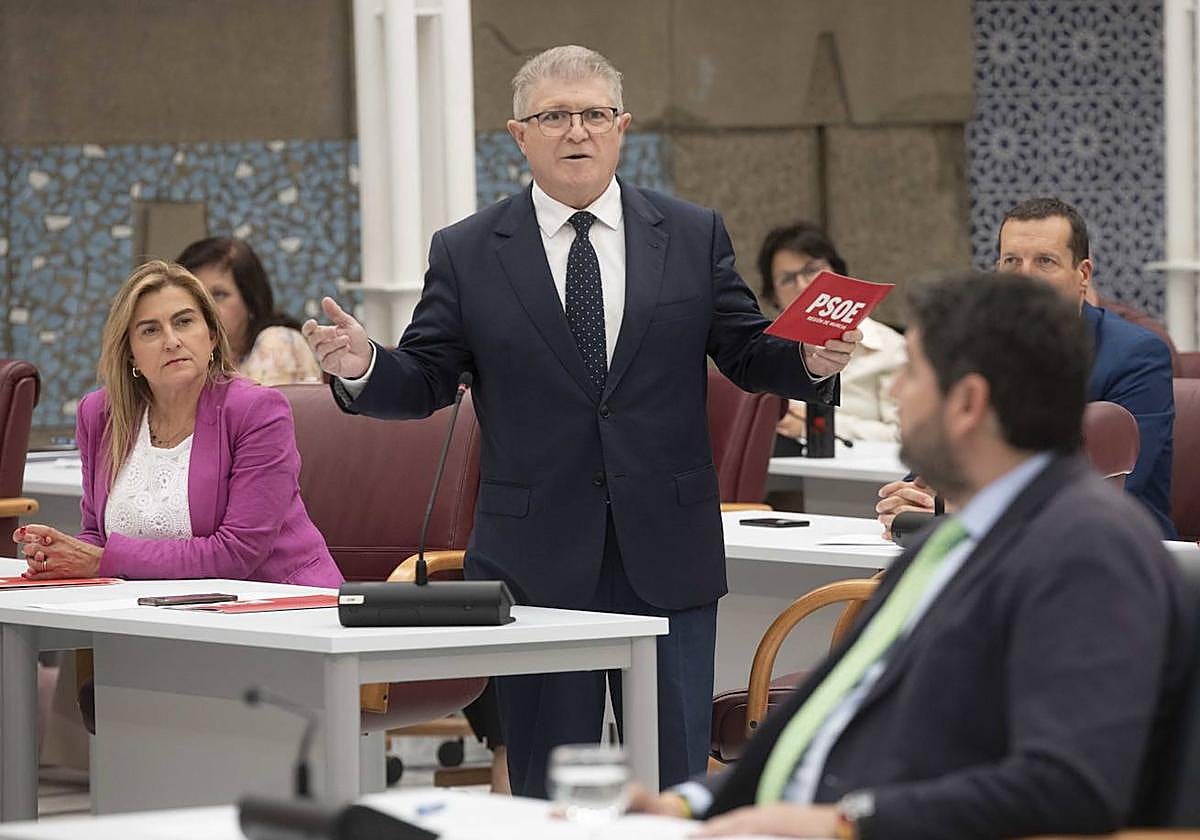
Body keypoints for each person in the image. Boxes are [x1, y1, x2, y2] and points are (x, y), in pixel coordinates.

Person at [301, 44, 861, 797]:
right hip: (536, 560)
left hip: (667, 550)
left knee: (671, 785)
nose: (578, 132)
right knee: (545, 792)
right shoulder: (468, 252)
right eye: (555, 116)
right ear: (519, 134)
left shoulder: (691, 235)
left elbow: (745, 350)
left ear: (622, 126)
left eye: (595, 114)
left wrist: (812, 364)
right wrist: (363, 365)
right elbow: (429, 377)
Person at [631, 270, 1193, 839]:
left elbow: (1067, 787)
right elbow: (820, 721)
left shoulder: (1087, 551)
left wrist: (844, 824)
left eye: (913, 372)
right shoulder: (947, 541)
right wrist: (687, 804)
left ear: (968, 402)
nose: (895, 391)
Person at [13, 260, 342, 588]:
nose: (171, 341)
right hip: (153, 609)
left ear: (211, 335)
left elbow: (237, 553)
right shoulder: (100, 413)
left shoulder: (257, 411)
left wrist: (101, 561)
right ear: (130, 353)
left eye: (184, 322)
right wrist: (59, 554)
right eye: (150, 330)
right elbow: (97, 533)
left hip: (279, 606)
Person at [877, 197, 1176, 539]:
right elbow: (935, 468)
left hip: (1117, 549)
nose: (1025, 277)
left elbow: (1114, 487)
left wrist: (969, 504)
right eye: (1012, 261)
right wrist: (911, 500)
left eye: (1045, 261)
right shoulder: (978, 349)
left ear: (1083, 274)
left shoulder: (1136, 356)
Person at [760, 222, 905, 445]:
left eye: (811, 271)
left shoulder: (891, 347)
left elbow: (904, 436)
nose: (801, 285)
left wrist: (812, 425)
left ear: (838, 272)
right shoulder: (764, 352)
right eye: (787, 279)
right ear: (773, 296)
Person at [177, 236, 322, 387]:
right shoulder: (200, 360)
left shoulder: (278, 340)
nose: (205, 307)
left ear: (251, 302)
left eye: (219, 295)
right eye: (196, 296)